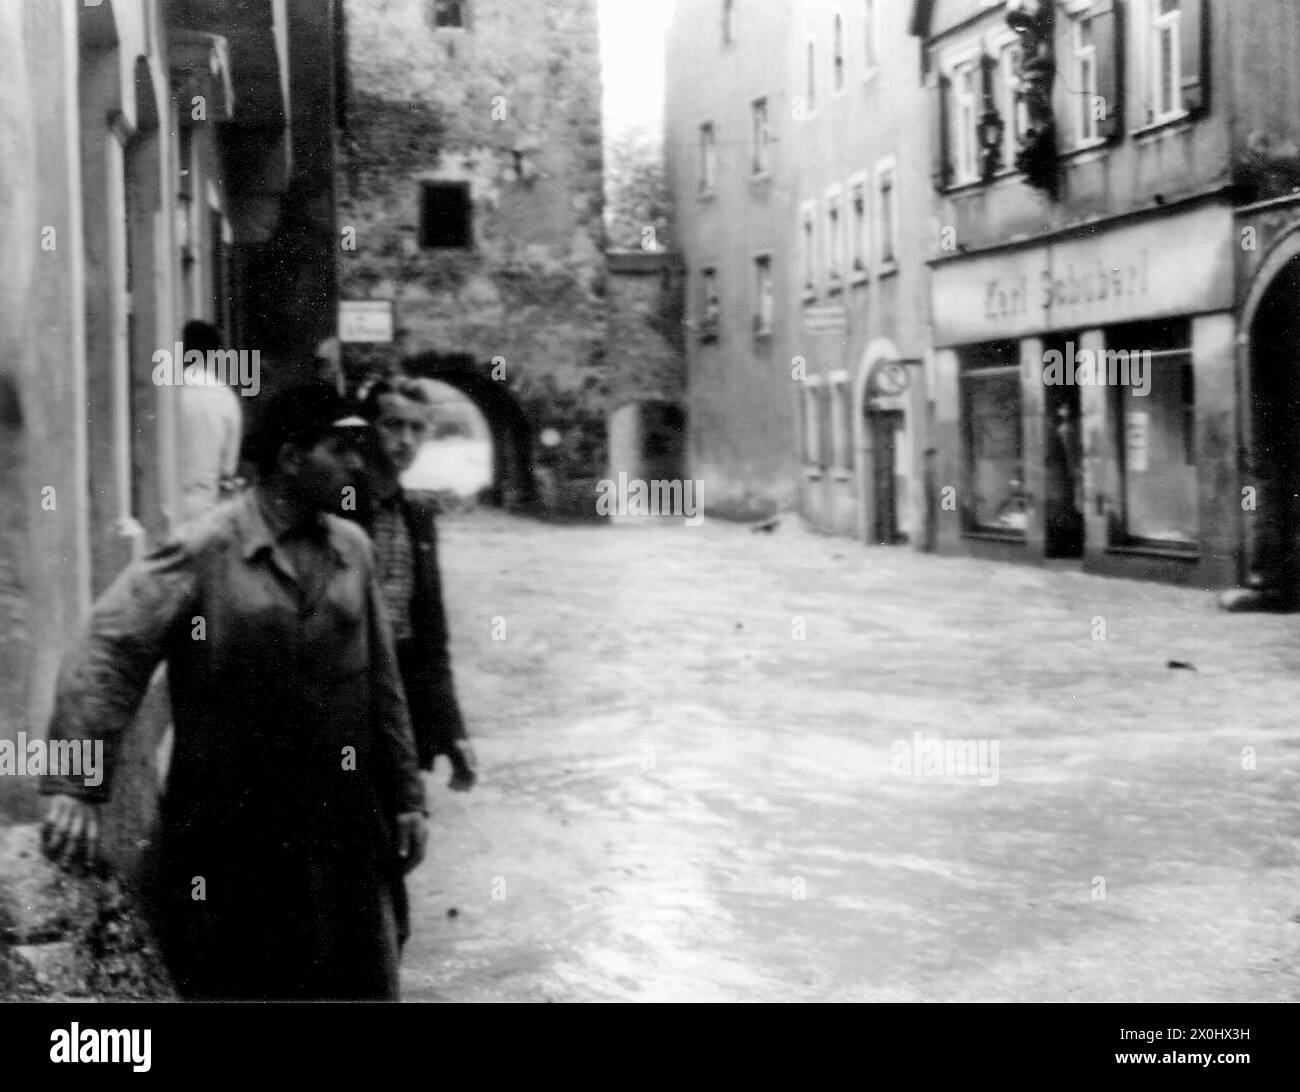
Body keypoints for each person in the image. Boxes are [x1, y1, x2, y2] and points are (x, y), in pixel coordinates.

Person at [39, 384, 427, 1001]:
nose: (359, 463)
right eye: (341, 448)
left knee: (358, 981)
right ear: (291, 457)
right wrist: (76, 785)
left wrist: (407, 797)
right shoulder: (206, 549)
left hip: (344, 828)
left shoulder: (353, 550)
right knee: (237, 981)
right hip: (231, 833)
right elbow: (110, 644)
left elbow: (382, 683)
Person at [355, 377, 477, 791]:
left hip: (400, 699)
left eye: (416, 428)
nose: (405, 440)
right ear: (367, 429)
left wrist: (451, 730)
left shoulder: (418, 518)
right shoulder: (336, 511)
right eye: (392, 425)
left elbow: (431, 634)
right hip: (344, 698)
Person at [176, 320, 244, 522]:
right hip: (205, 508)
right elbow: (227, 470)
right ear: (215, 354)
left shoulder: (168, 395)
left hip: (164, 506)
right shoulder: (226, 399)